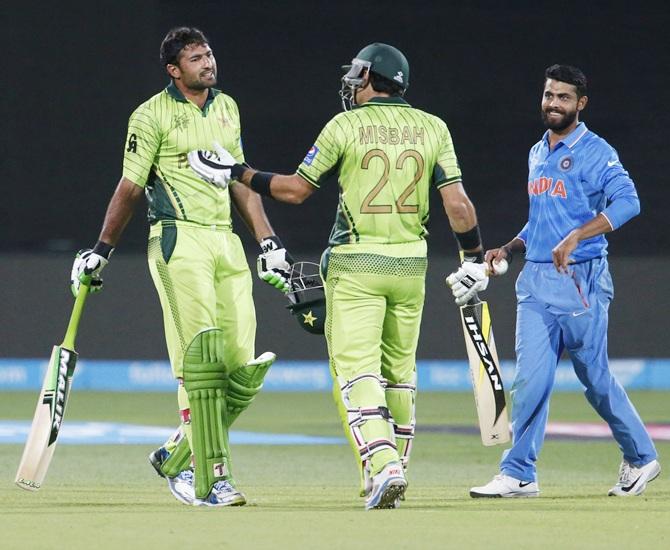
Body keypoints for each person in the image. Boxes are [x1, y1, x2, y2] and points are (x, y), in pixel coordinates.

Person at [187, 43, 490, 509]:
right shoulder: (435, 127)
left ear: (373, 77)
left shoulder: (345, 125)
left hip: (357, 264)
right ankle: (389, 473)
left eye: (357, 74)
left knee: (357, 372)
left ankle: (383, 464)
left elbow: (294, 191)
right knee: (401, 375)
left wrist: (238, 172)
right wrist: (472, 257)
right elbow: (458, 204)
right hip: (412, 265)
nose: (351, 81)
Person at [69, 27, 292, 507]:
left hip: (227, 244)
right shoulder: (150, 115)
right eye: (195, 58)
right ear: (174, 70)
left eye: (209, 53)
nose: (207, 62)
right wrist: (101, 250)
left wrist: (268, 242)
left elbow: (240, 181)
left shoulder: (227, 107)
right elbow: (130, 188)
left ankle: (176, 452)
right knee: (202, 366)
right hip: (178, 240)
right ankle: (207, 478)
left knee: (241, 367)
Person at [464, 64, 660, 498]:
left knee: (595, 380)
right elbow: (542, 220)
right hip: (534, 282)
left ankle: (642, 457)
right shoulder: (538, 151)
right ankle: (519, 472)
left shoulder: (596, 151)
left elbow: (630, 202)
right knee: (531, 380)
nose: (554, 103)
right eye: (549, 95)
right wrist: (511, 246)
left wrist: (578, 235)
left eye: (564, 97)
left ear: (581, 104)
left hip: (579, 281)